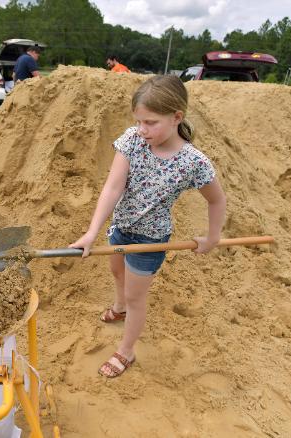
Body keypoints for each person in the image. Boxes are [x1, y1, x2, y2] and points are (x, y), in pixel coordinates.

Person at [69, 75, 226, 378]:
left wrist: (213, 237)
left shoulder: (193, 162)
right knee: (116, 272)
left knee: (136, 296)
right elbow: (113, 188)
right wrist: (91, 233)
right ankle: (119, 307)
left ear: (176, 117)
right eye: (139, 121)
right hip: (121, 226)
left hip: (151, 238)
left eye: (150, 122)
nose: (142, 129)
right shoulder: (132, 140)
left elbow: (216, 200)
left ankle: (125, 352)